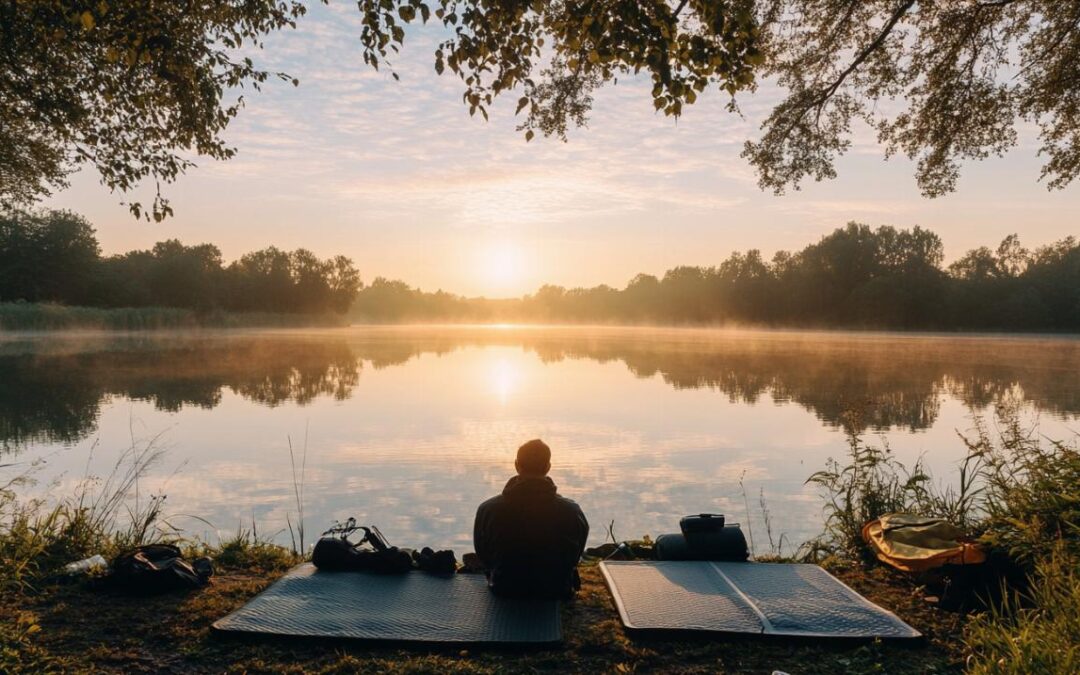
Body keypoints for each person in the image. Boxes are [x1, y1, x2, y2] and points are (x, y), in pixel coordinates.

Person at [473, 439, 589, 599]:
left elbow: (483, 552)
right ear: (548, 467)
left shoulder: (488, 509)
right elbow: (575, 554)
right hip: (556, 589)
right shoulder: (571, 511)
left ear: (516, 465)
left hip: (504, 587)